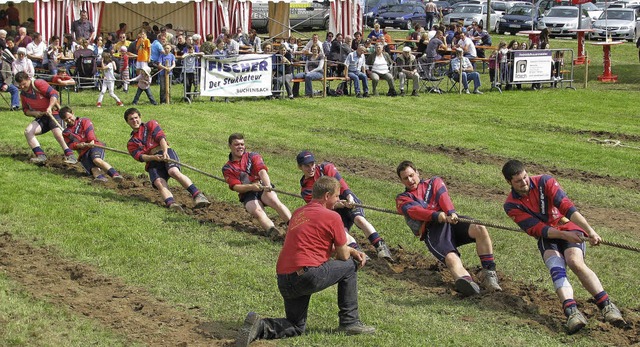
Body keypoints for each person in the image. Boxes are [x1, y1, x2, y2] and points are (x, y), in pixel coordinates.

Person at [236, 176, 375, 347]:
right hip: (306, 275)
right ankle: (350, 322)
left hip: (284, 279)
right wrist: (354, 252)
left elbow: (312, 245)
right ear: (326, 196)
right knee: (350, 265)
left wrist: (350, 250)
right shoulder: (332, 217)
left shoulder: (298, 213)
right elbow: (343, 257)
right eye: (337, 196)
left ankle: (259, 327)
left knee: (296, 326)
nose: (338, 200)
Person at [501, 159, 625, 334]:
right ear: (509, 183)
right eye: (518, 181)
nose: (524, 183)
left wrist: (590, 231)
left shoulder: (545, 181)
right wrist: (563, 235)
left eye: (525, 177)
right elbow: (537, 229)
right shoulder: (511, 205)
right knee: (556, 267)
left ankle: (607, 306)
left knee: (575, 261)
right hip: (547, 236)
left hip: (566, 225)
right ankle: (572, 312)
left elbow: (567, 207)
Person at [395, 161, 501, 296]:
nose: (410, 180)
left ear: (417, 172)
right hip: (433, 230)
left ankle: (489, 274)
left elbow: (442, 196)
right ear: (401, 181)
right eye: (405, 178)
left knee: (479, 227)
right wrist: (435, 215)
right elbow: (415, 211)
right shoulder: (402, 199)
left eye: (411, 175)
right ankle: (466, 282)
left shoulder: (434, 182)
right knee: (451, 258)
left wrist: (450, 212)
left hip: (452, 221)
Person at [297, 151, 393, 260]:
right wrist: (337, 205)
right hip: (332, 209)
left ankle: (380, 246)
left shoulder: (326, 168)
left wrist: (349, 197)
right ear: (300, 167)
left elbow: (342, 184)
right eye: (306, 166)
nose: (311, 168)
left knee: (359, 219)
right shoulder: (306, 190)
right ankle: (359, 253)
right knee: (342, 232)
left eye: (312, 164)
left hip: (346, 198)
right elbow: (320, 208)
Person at [124, 107, 210, 211]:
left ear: (140, 117)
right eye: (131, 119)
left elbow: (161, 138)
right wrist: (154, 157)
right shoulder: (131, 142)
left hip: (165, 151)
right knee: (159, 182)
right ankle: (172, 204)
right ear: (127, 122)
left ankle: (198, 196)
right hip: (152, 161)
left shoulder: (150, 124)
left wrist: (165, 152)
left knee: (173, 171)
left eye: (136, 117)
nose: (134, 121)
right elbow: (140, 157)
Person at [222, 133, 291, 237]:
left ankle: (295, 226)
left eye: (242, 144)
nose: (240, 147)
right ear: (230, 146)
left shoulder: (253, 156)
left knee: (275, 201)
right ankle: (274, 233)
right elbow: (236, 187)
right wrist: (251, 187)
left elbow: (262, 171)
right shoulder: (227, 168)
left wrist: (267, 186)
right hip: (247, 193)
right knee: (257, 211)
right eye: (236, 144)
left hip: (263, 186)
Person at [14, 71, 77, 164]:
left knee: (58, 133)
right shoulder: (23, 94)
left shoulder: (38, 83)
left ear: (28, 79)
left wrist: (50, 107)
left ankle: (70, 156)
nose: (22, 87)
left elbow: (54, 94)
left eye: (24, 84)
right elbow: (25, 110)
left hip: (54, 113)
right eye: (20, 85)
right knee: (28, 132)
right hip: (42, 117)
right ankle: (40, 156)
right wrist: (34, 113)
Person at [59, 106, 123, 183]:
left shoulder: (84, 121)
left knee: (96, 160)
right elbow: (70, 145)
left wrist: (91, 141)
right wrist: (79, 145)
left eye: (70, 117)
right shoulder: (66, 132)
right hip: (83, 153)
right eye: (66, 120)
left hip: (95, 146)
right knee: (93, 169)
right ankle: (101, 179)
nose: (69, 120)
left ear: (72, 113)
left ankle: (115, 175)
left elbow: (90, 132)